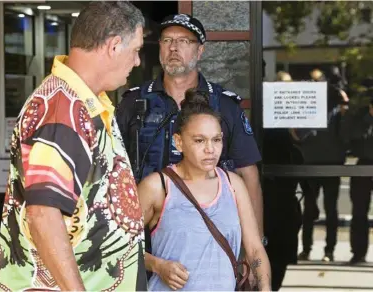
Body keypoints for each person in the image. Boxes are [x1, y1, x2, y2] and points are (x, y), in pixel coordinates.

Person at [0, 2, 147, 291]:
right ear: (114, 46)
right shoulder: (63, 110)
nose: (137, 61)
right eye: (136, 50)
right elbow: (44, 214)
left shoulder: (83, 101)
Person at [116, 13, 264, 238]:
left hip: (212, 232)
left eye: (184, 41)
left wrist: (255, 241)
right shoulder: (134, 102)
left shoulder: (224, 105)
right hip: (144, 234)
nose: (174, 48)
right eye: (167, 41)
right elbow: (113, 170)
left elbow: (248, 174)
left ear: (200, 50)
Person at [137, 89, 271, 291]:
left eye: (216, 140)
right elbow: (120, 247)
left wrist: (265, 288)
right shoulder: (158, 187)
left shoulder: (233, 185)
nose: (210, 149)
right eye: (199, 140)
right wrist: (157, 265)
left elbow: (254, 249)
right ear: (178, 142)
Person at [295, 69, 348, 262]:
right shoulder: (305, 109)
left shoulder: (337, 111)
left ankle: (329, 251)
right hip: (311, 164)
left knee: (330, 209)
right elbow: (298, 136)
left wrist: (344, 101)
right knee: (309, 209)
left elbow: (346, 134)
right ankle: (307, 248)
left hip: (332, 164)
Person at [264, 71, 302, 290]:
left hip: (284, 197)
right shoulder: (266, 113)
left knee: (279, 255)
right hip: (271, 194)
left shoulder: (289, 111)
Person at [341, 96, 373, 264]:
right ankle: (358, 252)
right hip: (364, 165)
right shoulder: (361, 119)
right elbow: (356, 140)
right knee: (359, 212)